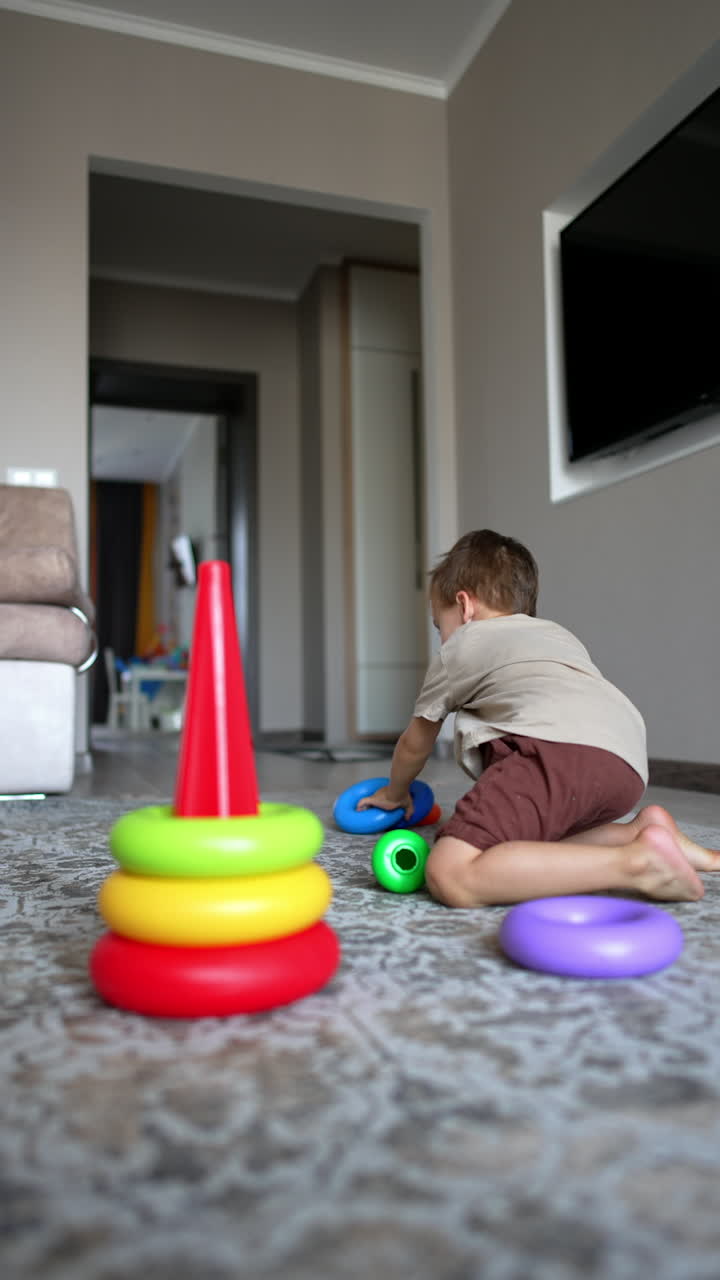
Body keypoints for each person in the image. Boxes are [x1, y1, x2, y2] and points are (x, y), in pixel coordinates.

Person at [358, 529, 720, 908]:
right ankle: (638, 834)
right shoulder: (556, 635)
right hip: (624, 761)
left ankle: (638, 864)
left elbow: (417, 741)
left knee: (451, 871)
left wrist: (394, 793)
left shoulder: (463, 645)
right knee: (527, 844)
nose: (442, 638)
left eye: (439, 625)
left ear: (465, 607)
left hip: (554, 750)